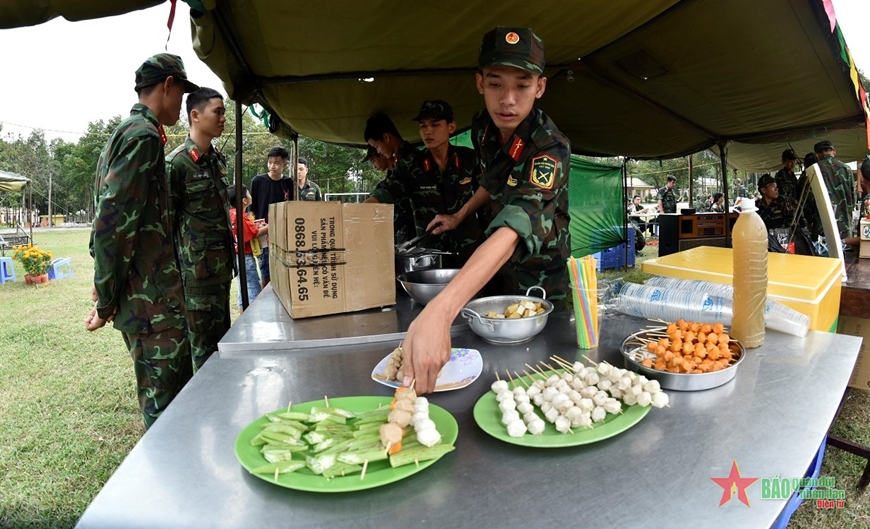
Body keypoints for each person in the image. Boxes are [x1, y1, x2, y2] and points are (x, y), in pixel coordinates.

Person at [405, 26, 570, 394]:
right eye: (496, 84)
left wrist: (442, 310)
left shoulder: (550, 148)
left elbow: (514, 226)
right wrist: (459, 215)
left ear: (539, 88)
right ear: (479, 83)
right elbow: (493, 181)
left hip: (542, 273)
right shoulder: (484, 127)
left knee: (540, 367)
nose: (507, 100)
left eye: (522, 85)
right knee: (495, 367)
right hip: (492, 263)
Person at [85, 53, 198, 429]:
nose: (182, 103)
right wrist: (105, 298)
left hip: (148, 300)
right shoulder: (143, 137)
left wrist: (106, 287)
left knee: (165, 403)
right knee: (167, 412)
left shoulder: (125, 133)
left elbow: (106, 218)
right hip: (154, 306)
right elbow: (111, 225)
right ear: (168, 85)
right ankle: (172, 486)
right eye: (182, 93)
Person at [366, 100, 485, 266]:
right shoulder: (410, 166)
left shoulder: (469, 159)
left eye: (435, 124)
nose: (428, 131)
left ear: (451, 127)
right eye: (423, 125)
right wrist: (359, 210)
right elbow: (385, 192)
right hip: (431, 258)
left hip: (470, 251)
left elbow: (488, 190)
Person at [166, 87, 233, 371]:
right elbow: (165, 227)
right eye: (217, 112)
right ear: (195, 115)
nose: (223, 118)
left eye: (224, 112)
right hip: (195, 278)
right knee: (205, 355)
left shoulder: (215, 159)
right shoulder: (176, 165)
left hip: (220, 272)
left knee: (222, 347)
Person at [364, 114, 416, 245]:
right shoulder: (401, 159)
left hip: (418, 234)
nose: (379, 152)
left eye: (376, 146)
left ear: (386, 137)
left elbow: (388, 191)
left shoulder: (409, 160)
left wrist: (356, 210)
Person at [250, 146, 294, 288]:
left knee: (282, 267)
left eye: (276, 162)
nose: (272, 166)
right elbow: (252, 209)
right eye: (270, 162)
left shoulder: (288, 183)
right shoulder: (258, 181)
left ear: (285, 164)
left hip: (282, 231)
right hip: (263, 233)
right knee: (266, 270)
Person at [804, 140, 856, 245]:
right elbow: (853, 198)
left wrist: (810, 221)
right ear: (834, 152)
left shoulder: (813, 170)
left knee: (824, 257)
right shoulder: (847, 169)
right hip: (844, 226)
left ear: (817, 155)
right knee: (845, 257)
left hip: (822, 227)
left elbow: (809, 201)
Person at [228, 184, 265, 313]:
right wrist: (270, 226)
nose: (250, 195)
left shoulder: (231, 213)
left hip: (236, 256)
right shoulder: (240, 214)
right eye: (248, 193)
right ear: (244, 200)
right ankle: (253, 315)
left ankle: (242, 314)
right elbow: (253, 233)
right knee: (252, 286)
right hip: (245, 257)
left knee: (242, 287)